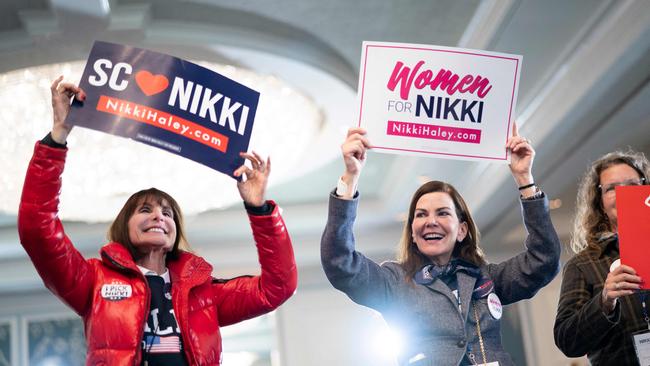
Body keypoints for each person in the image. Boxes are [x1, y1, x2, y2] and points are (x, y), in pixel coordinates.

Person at [18, 77, 298, 365]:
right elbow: (37, 230)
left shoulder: (204, 294)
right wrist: (58, 135)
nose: (158, 217)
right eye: (145, 210)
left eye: (168, 213)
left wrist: (259, 209)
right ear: (123, 226)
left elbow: (277, 288)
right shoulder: (93, 281)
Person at [320, 126, 561, 365]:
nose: (431, 222)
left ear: (462, 230)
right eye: (421, 215)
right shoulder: (395, 281)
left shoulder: (488, 277)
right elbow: (340, 263)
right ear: (413, 233)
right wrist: (349, 180)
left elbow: (544, 261)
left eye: (443, 213)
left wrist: (524, 179)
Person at [554, 150, 650, 365]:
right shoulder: (583, 265)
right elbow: (567, 342)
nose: (623, 193)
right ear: (600, 203)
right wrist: (605, 301)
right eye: (611, 189)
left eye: (632, 185)